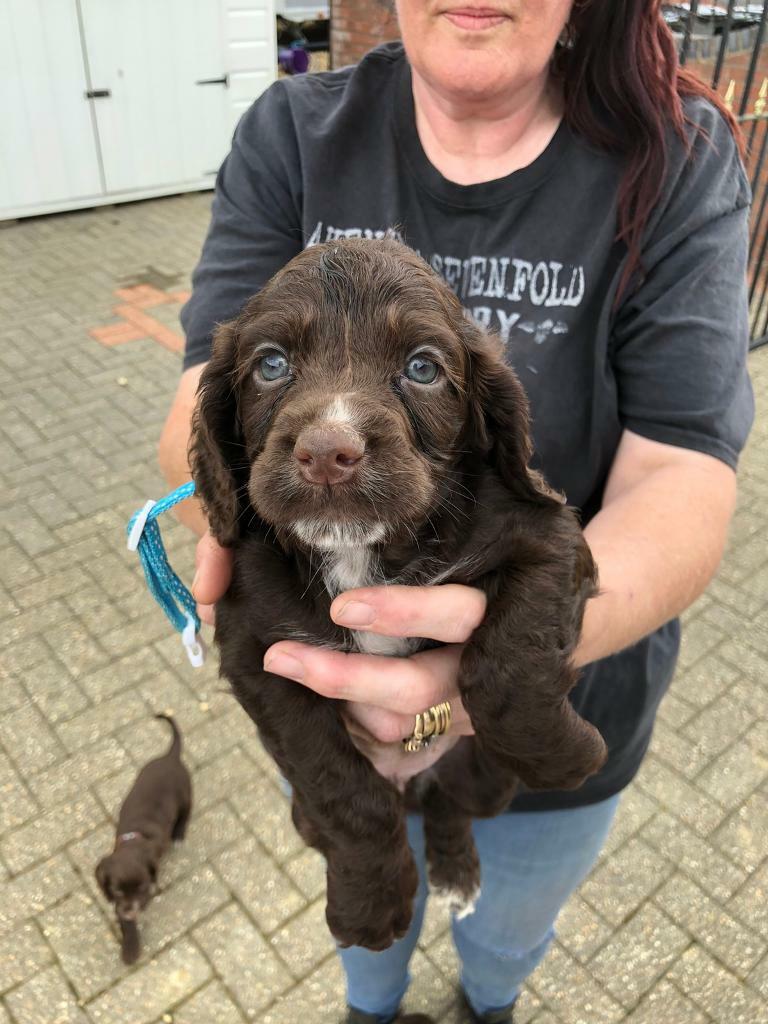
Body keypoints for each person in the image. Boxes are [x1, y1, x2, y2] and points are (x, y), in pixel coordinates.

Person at [158, 2, 754, 1021]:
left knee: (504, 920)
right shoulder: (293, 130)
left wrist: (502, 679)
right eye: (276, 366)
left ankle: (490, 994)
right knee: (365, 892)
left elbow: (685, 473)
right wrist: (204, 507)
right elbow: (194, 405)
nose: (332, 436)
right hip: (332, 729)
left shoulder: (680, 155)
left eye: (422, 368)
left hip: (570, 697)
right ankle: (374, 998)